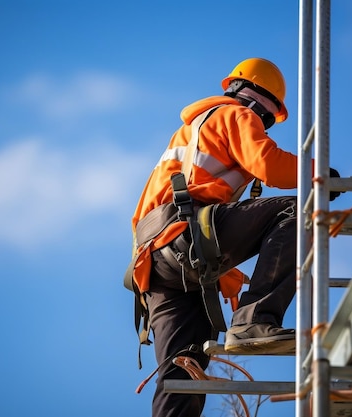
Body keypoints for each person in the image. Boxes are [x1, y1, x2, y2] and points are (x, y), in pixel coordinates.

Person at [125, 57, 340, 417]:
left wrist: (230, 276)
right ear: (255, 99)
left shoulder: (199, 129)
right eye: (268, 118)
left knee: (181, 375)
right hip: (182, 238)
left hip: (155, 266)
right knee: (296, 211)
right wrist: (319, 173)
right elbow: (269, 164)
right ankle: (254, 323)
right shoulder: (235, 115)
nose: (264, 126)